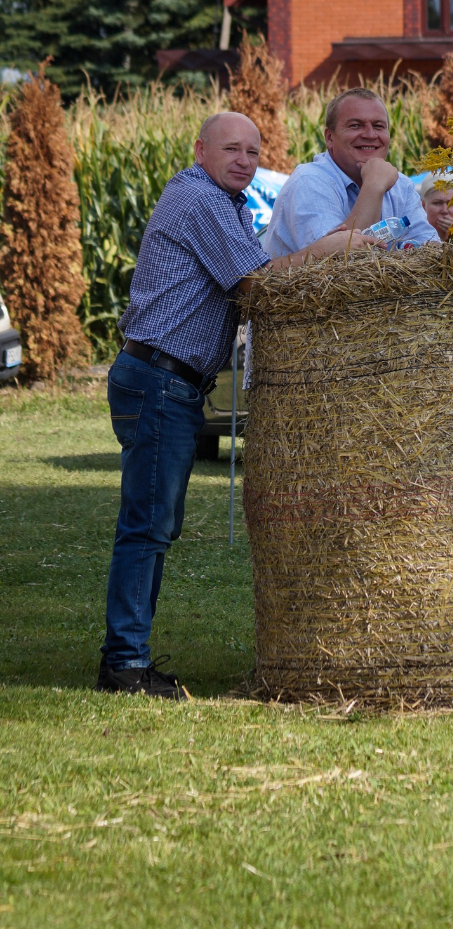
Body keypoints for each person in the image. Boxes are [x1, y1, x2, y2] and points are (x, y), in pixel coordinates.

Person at [96, 112, 377, 701]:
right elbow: (258, 283)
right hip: (159, 379)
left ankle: (126, 657)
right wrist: (332, 247)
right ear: (201, 150)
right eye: (231, 149)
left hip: (166, 379)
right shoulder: (200, 199)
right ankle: (124, 665)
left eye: (253, 152)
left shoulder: (223, 203)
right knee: (147, 527)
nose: (245, 161)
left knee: (154, 524)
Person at [265, 87, 438, 255]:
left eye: (378, 126)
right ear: (329, 138)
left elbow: (432, 251)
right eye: (356, 126)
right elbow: (337, 264)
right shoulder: (308, 181)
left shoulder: (402, 186)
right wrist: (373, 186)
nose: (370, 135)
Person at [419, 172, 453, 242]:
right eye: (437, 203)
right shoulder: (413, 239)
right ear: (423, 206)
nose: (445, 210)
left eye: (450, 203)